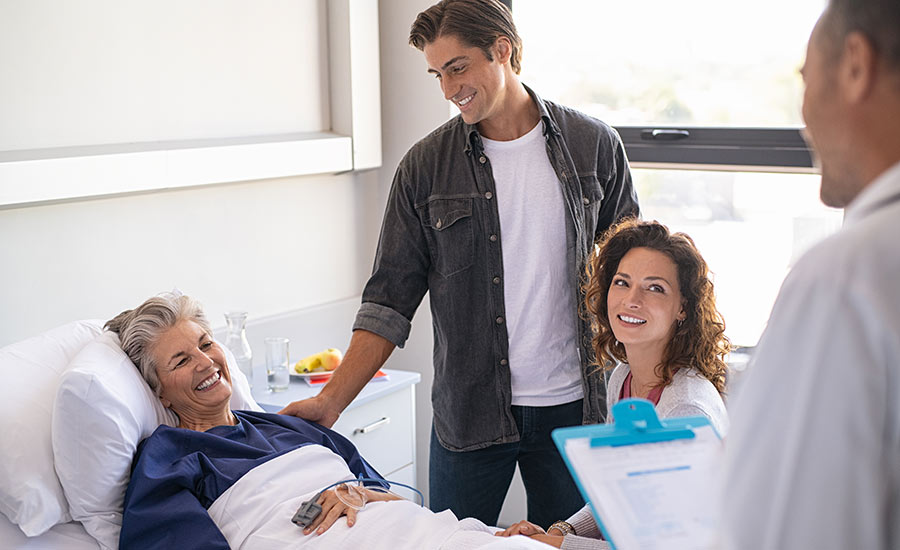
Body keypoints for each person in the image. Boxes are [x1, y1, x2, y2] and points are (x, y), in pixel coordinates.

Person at [279, 0, 639, 529]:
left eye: (457, 68)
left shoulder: (594, 146)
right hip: (469, 414)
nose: (448, 90)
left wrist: (659, 386)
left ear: (503, 51)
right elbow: (388, 300)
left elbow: (633, 282)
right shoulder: (425, 167)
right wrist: (331, 402)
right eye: (437, 75)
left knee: (570, 547)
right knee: (447, 543)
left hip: (578, 410)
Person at [108, 293, 549, 550]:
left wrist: (490, 534)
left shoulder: (291, 427)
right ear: (158, 389)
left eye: (206, 344)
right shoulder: (167, 457)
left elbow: (398, 502)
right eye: (183, 360)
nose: (206, 363)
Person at [721, 1, 900, 548]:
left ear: (854, 64)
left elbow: (781, 533)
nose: (804, 121)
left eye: (805, 80)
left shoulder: (846, 280)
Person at [496, 219, 731, 549]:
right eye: (622, 282)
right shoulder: (623, 376)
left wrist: (557, 546)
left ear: (683, 308)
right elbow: (618, 495)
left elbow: (662, 546)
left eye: (655, 288)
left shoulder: (685, 409)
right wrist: (562, 531)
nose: (632, 299)